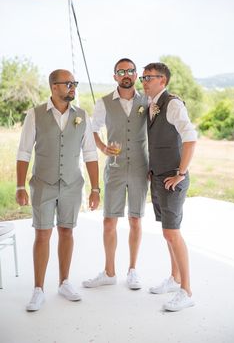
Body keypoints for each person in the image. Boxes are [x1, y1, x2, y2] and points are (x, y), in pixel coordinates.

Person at [16, 69, 100, 311]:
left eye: (75, 83)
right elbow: (24, 152)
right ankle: (38, 289)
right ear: (54, 87)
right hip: (42, 184)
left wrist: (95, 189)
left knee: (67, 232)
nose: (73, 87)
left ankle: (64, 282)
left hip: (72, 185)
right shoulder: (34, 115)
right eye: (68, 83)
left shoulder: (82, 116)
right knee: (42, 235)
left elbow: (91, 154)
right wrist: (21, 185)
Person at [82, 58, 149, 290]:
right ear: (115, 76)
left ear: (135, 74)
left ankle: (132, 270)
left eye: (130, 70)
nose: (126, 74)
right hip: (116, 168)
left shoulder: (148, 101)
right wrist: (102, 147)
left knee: (135, 219)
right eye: (121, 71)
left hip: (141, 168)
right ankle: (109, 272)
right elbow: (91, 129)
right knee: (109, 221)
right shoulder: (103, 103)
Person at [140, 62, 197, 311]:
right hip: (159, 177)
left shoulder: (172, 103)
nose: (144, 81)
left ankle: (187, 291)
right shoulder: (151, 105)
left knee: (173, 233)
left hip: (173, 180)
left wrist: (180, 173)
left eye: (149, 77)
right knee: (167, 232)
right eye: (143, 77)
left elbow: (190, 139)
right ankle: (174, 279)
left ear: (162, 81)